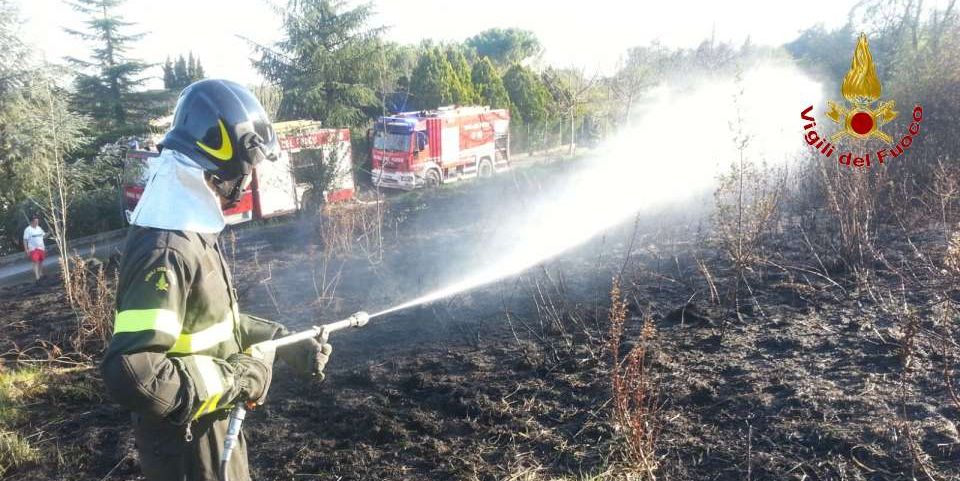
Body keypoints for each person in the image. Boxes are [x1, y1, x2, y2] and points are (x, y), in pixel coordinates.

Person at [100, 79, 333, 481]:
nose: (248, 183)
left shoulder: (190, 229)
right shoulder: (169, 248)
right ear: (227, 168)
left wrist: (283, 342)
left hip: (211, 429)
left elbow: (211, 325)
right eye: (249, 172)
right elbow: (134, 371)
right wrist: (237, 378)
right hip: (189, 451)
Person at [22, 215, 45, 282]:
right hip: (33, 249)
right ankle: (37, 277)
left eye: (37, 221)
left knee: (41, 261)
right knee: (36, 262)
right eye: (36, 221)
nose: (37, 222)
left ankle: (40, 274)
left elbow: (44, 235)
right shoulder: (27, 229)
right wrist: (26, 249)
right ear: (32, 221)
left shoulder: (39, 228)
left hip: (41, 248)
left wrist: (49, 232)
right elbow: (25, 240)